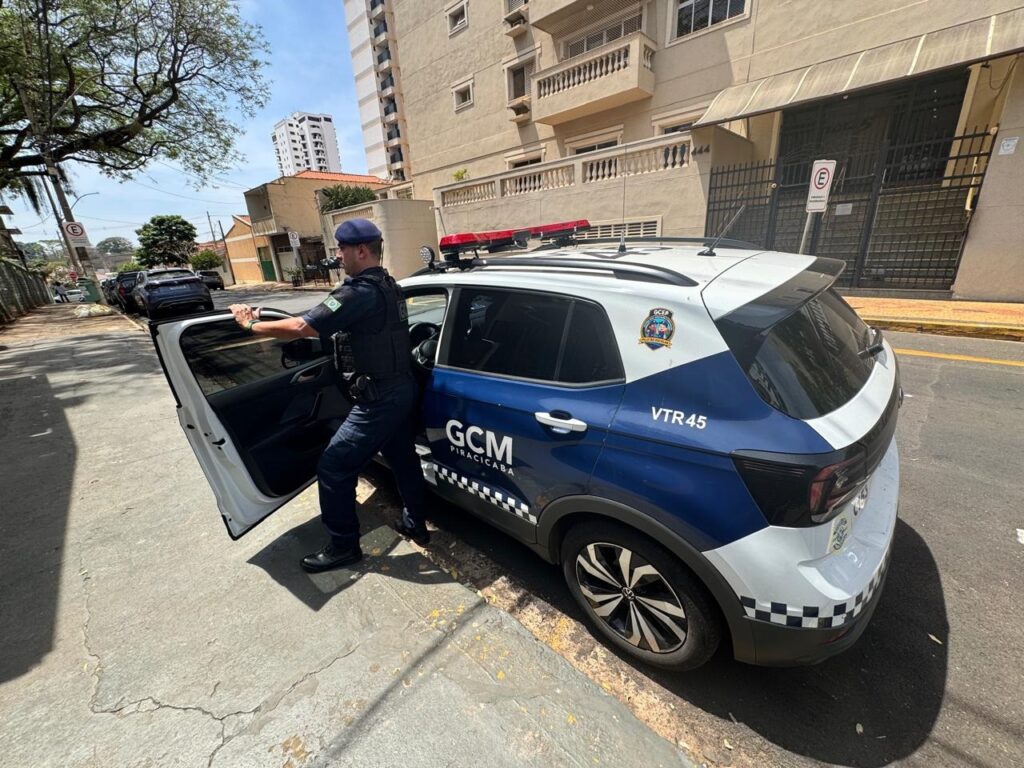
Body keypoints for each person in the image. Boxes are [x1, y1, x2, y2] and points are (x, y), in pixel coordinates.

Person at [228, 219, 429, 573]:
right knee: (402, 458)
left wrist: (249, 324)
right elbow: (323, 318)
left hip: (378, 399)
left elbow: (302, 328)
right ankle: (416, 524)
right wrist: (270, 315)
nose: (337, 256)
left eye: (341, 249)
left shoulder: (358, 293)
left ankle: (343, 547)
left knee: (334, 467)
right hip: (400, 389)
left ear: (361, 250)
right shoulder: (388, 285)